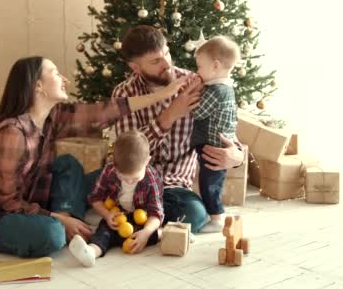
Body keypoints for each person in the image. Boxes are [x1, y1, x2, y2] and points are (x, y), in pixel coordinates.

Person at [0, 56, 187, 258]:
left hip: (29, 196)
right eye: (56, 73)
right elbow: (8, 202)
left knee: (69, 165)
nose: (65, 79)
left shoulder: (53, 117)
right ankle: (68, 223)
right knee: (52, 234)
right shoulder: (12, 133)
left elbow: (106, 111)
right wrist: (57, 219)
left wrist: (163, 95)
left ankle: (72, 219)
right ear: (38, 86)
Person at [112, 25, 245, 233]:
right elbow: (127, 152)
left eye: (166, 53)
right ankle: (140, 216)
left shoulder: (197, 82)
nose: (167, 64)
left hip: (174, 186)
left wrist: (237, 156)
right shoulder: (124, 94)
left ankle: (138, 218)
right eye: (155, 61)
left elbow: (224, 125)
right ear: (136, 68)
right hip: (138, 182)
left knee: (195, 214)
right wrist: (170, 115)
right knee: (91, 182)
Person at [69, 130, 163, 267]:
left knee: (148, 233)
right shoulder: (109, 171)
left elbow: (156, 212)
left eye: (135, 178)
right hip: (117, 215)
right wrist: (107, 215)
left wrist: (146, 232)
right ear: (113, 162)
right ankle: (91, 252)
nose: (130, 182)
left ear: (147, 161)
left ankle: (165, 234)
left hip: (142, 218)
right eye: (124, 177)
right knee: (104, 231)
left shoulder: (152, 179)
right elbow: (95, 198)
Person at [192, 36, 242, 232]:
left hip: (214, 147)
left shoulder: (216, 91)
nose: (197, 71)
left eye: (200, 67)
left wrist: (192, 95)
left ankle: (217, 218)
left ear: (215, 66)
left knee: (210, 184)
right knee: (211, 181)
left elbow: (197, 112)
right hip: (219, 144)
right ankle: (213, 214)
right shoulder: (228, 88)